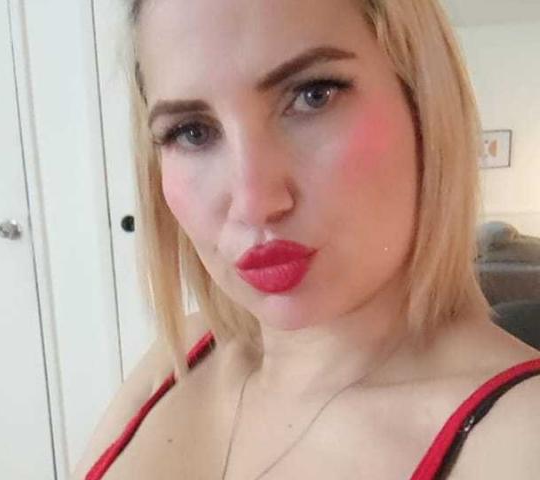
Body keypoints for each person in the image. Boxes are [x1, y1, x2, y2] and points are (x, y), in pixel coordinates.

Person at [74, 0, 540, 478]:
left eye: (313, 96)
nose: (253, 202)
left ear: (423, 101)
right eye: (191, 132)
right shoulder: (178, 359)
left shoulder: (522, 436)